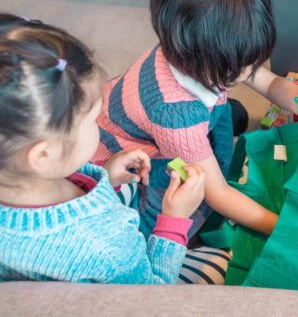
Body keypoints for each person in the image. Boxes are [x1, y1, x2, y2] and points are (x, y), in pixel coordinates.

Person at [93, 0, 298, 239]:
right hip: (132, 158)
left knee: (233, 115)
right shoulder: (176, 113)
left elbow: (270, 83)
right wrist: (285, 228)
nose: (250, 71)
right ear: (199, 59)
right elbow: (218, 193)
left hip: (156, 120)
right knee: (188, 201)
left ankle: (212, 142)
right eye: (240, 68)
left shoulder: (193, 49)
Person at [0, 15, 206, 283]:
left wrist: (104, 177)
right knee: (215, 261)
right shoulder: (105, 246)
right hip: (143, 281)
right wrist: (174, 221)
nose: (99, 123)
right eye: (92, 118)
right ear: (43, 156)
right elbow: (152, 293)